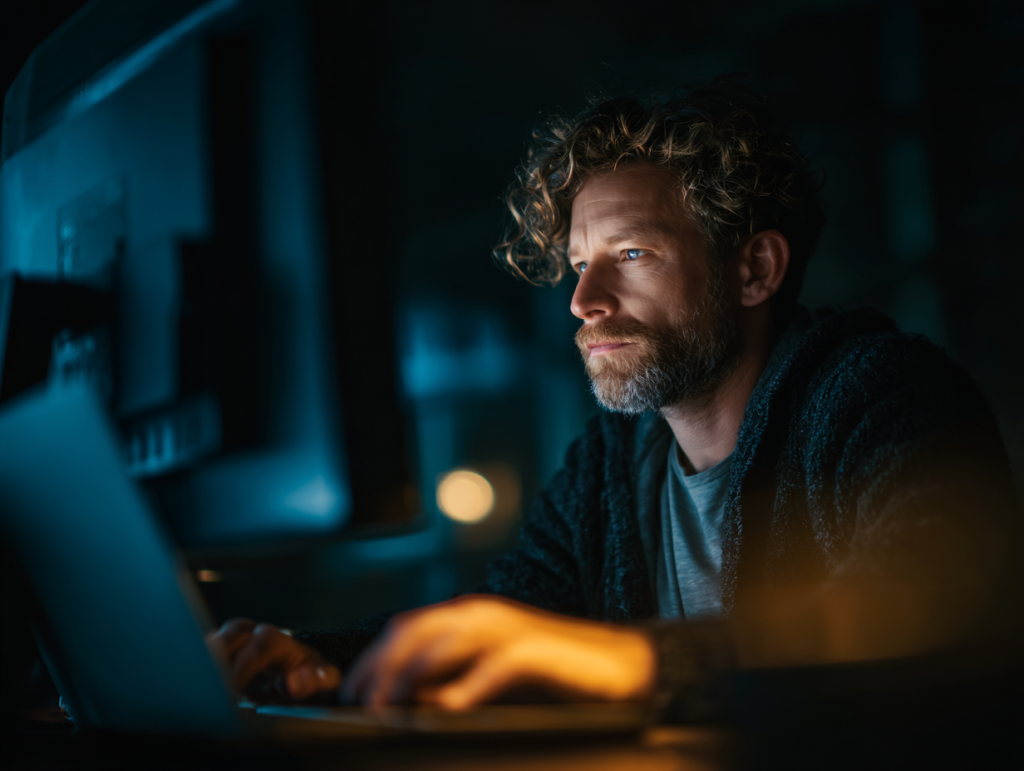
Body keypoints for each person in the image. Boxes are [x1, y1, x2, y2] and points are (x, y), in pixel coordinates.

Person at [209, 79, 1022, 719]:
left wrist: (638, 662)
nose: (583, 299)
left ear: (755, 271)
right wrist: (308, 659)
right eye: (578, 263)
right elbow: (505, 623)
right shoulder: (611, 461)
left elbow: (929, 605)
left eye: (631, 253)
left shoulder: (881, 392)